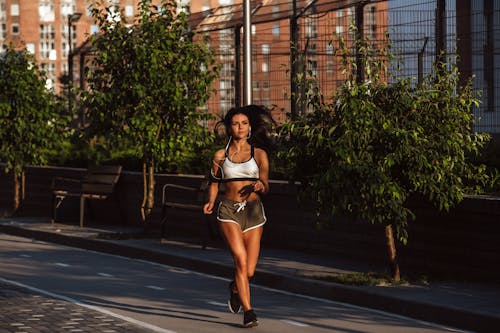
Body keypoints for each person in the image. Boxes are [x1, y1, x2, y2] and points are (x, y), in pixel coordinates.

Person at [203, 104, 275, 328]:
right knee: (241, 261)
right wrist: (211, 201)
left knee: (250, 270)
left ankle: (234, 288)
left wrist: (259, 187)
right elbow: (214, 184)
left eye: (244, 123)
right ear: (229, 128)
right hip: (228, 211)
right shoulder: (220, 156)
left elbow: (266, 183)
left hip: (254, 212)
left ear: (250, 127)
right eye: (235, 123)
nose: (240, 127)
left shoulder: (259, 154)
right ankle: (249, 311)